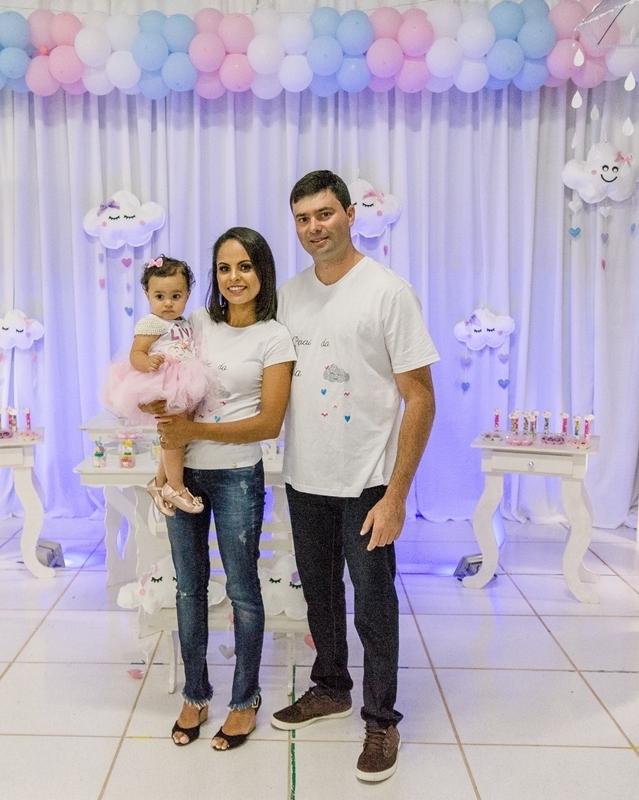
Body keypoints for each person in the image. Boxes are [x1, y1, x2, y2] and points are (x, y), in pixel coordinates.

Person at [271, 170, 438, 783]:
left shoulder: (389, 293)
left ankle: (381, 718)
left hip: (368, 480)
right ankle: (331, 686)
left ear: (350, 214)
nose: (315, 227)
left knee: (372, 603)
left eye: (325, 214)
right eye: (303, 218)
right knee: (319, 594)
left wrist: (396, 495)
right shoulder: (288, 296)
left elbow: (421, 398)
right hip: (304, 476)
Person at [154, 227, 296, 751]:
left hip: (237, 473)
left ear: (262, 272)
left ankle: (244, 701)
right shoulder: (195, 323)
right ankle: (195, 695)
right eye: (223, 268)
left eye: (244, 266)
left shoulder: (274, 337)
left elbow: (269, 424)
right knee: (189, 587)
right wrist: (165, 462)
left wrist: (194, 432)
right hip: (184, 474)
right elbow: (170, 393)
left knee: (242, 590)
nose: (234, 277)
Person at [100, 256, 214, 515]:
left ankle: (159, 482)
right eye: (160, 296)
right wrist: (147, 362)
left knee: (177, 434)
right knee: (174, 434)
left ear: (187, 294)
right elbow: (136, 353)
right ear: (147, 295)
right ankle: (175, 486)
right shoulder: (152, 323)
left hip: (185, 380)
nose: (168, 303)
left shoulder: (183, 322)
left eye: (176, 296)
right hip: (163, 381)